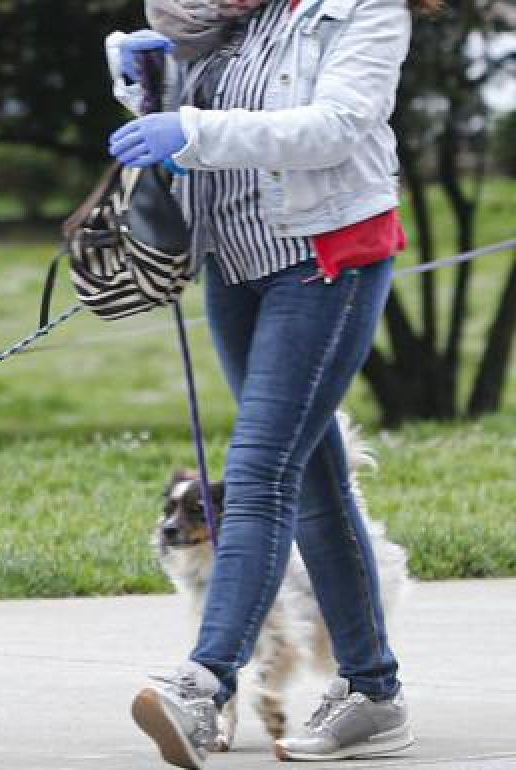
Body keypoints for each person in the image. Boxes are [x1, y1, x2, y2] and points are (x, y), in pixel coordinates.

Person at [103, 0, 438, 766]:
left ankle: (201, 683)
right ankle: (374, 695)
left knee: (257, 475)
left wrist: (193, 133)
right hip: (238, 264)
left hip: (326, 260)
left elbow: (334, 127)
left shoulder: (368, 11)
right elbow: (205, 104)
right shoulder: (235, 9)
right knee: (314, 483)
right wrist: (149, 79)